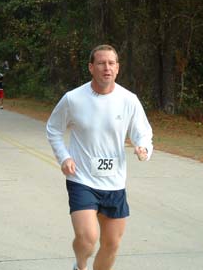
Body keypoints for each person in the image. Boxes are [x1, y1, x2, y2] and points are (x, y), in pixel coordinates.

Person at [46, 44, 153, 270]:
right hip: (82, 179)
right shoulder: (73, 99)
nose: (107, 68)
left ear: (118, 68)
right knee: (87, 239)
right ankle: (81, 266)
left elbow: (142, 132)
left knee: (112, 244)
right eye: (101, 63)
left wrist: (143, 147)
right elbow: (54, 129)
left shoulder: (129, 99)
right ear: (91, 67)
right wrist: (64, 157)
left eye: (111, 63)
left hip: (115, 182)